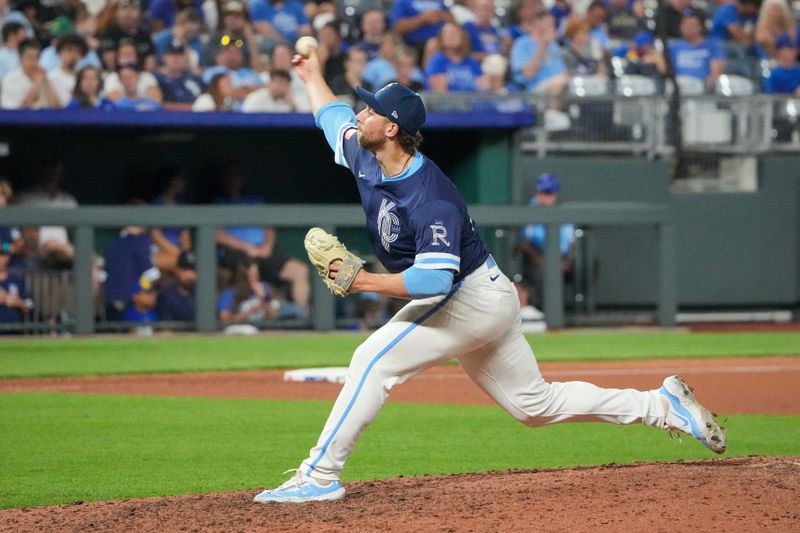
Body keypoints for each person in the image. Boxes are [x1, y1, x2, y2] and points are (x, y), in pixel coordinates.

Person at [251, 44, 727, 503]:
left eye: (371, 111)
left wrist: (364, 283)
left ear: (393, 129)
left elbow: (434, 282)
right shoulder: (366, 153)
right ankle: (662, 406)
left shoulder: (428, 194)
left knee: (372, 362)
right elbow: (330, 117)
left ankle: (319, 475)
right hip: (484, 295)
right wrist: (311, 75)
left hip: (468, 296)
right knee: (534, 406)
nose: (361, 115)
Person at [214, 162, 310, 315]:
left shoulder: (253, 201)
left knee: (300, 270)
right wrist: (247, 248)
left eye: (236, 177)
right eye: (229, 177)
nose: (233, 181)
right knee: (250, 268)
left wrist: (267, 247)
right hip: (238, 255)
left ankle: (302, 317)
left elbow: (268, 228)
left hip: (262, 251)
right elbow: (217, 235)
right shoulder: (218, 204)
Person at [516, 173, 575, 310]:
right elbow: (524, 244)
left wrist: (567, 262)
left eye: (549, 193)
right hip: (537, 257)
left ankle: (565, 314)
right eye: (542, 193)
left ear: (556, 194)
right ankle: (540, 312)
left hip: (561, 259)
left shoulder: (563, 211)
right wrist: (542, 261)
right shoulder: (530, 211)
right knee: (540, 273)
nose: (545, 197)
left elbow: (572, 242)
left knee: (575, 268)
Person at [510, 9, 568, 95]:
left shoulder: (553, 45)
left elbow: (562, 71)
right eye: (548, 23)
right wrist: (543, 46)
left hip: (560, 85)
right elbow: (527, 74)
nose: (552, 26)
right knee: (558, 83)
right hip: (535, 90)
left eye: (553, 23)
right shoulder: (522, 44)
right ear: (537, 23)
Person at [668, 10, 724, 89]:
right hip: (679, 84)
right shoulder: (674, 46)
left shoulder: (712, 45)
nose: (687, 28)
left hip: (702, 86)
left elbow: (716, 71)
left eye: (691, 25)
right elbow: (668, 70)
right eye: (684, 24)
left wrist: (708, 86)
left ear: (700, 27)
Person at [424, 21, 483, 92]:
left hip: (471, 101)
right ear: (441, 38)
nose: (451, 37)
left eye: (455, 34)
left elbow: (481, 87)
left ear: (462, 37)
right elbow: (440, 94)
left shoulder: (470, 61)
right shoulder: (437, 60)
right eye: (448, 34)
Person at [1, 38, 60, 109]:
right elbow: (19, 111)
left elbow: (56, 108)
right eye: (30, 57)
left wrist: (46, 82)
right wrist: (37, 83)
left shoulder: (46, 76)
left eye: (37, 57)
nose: (35, 62)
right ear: (21, 57)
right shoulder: (10, 79)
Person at [156, 250, 196, 322]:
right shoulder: (167, 295)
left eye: (193, 270)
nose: (190, 275)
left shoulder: (203, 294)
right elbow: (165, 330)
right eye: (185, 269)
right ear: (177, 270)